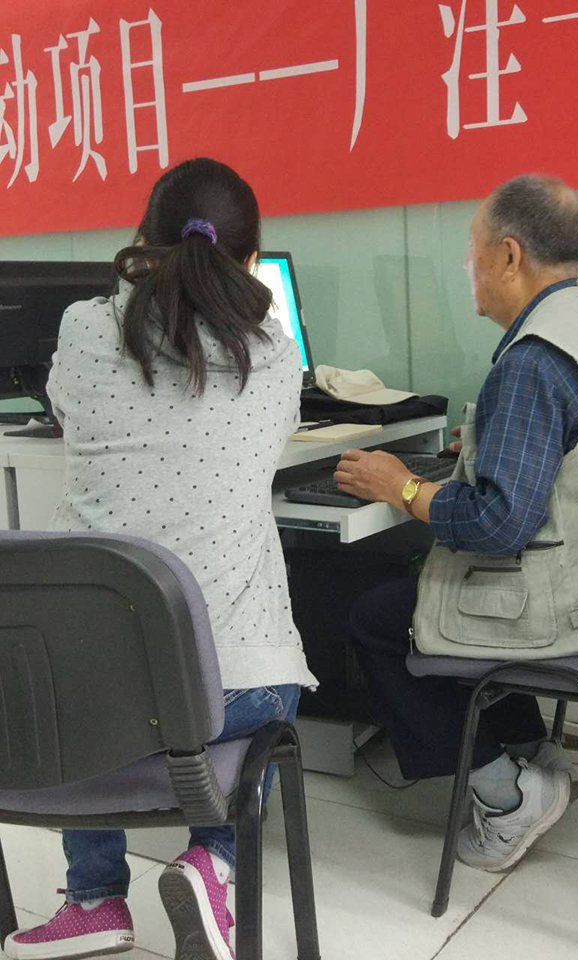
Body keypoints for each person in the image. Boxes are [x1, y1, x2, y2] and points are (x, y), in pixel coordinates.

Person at [4, 158, 317, 960]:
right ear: (250, 261)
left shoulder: (83, 329)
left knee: (90, 641)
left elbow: (69, 410)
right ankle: (213, 863)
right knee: (268, 661)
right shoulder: (275, 356)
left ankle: (93, 899)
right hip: (229, 697)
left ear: (142, 240)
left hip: (90, 696)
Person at [337, 174, 578, 874]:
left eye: (472, 248)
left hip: (577, 612)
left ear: (508, 255)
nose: (466, 265)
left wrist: (402, 487)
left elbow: (498, 525)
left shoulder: (534, 362)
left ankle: (505, 795)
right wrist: (487, 450)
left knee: (379, 619)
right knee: (440, 589)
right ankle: (536, 759)